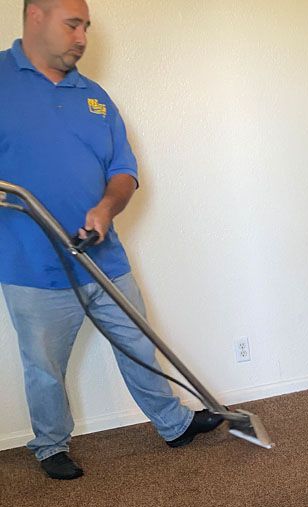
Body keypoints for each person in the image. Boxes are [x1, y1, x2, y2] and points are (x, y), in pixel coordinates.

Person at [0, 0, 222, 481]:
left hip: (102, 256)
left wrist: (105, 208)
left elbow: (123, 170)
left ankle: (174, 423)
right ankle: (51, 446)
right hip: (32, 266)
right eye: (72, 24)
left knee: (139, 344)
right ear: (36, 16)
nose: (82, 37)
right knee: (44, 366)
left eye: (86, 26)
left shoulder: (94, 97)